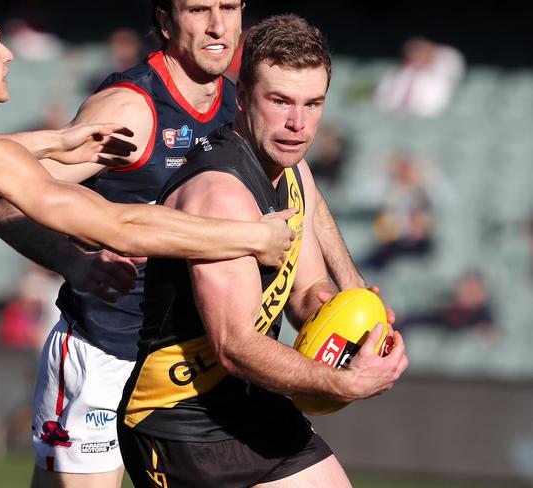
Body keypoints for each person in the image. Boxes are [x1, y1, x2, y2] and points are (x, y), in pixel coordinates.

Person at [0, 1, 295, 486]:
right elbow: (118, 227)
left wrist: (55, 141)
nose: (10, 54)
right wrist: (251, 237)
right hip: (103, 347)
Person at [0, 1, 366, 486]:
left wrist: (354, 289)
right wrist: (72, 262)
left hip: (198, 374)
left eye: (229, 7)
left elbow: (304, 190)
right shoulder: (133, 109)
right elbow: (1, 195)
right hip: (109, 353)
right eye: (199, 9)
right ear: (165, 21)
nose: (217, 25)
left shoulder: (250, 102)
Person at [117, 15, 409, 487]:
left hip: (249, 403)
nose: (298, 123)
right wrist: (342, 382)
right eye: (280, 101)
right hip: (180, 420)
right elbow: (234, 346)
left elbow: (307, 291)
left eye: (313, 104)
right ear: (242, 97)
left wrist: (353, 325)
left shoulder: (293, 173)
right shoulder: (223, 196)